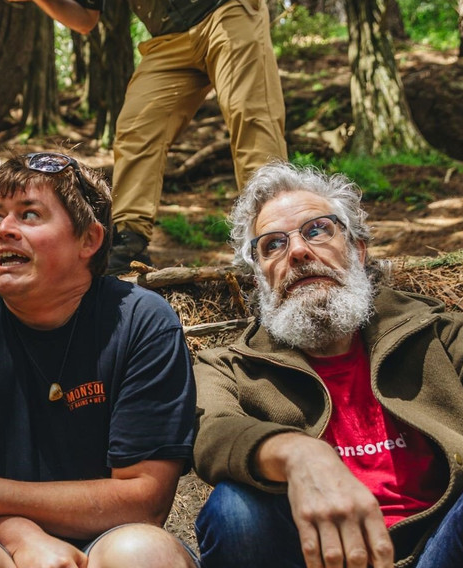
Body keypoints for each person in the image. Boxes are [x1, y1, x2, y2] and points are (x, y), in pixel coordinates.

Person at [0, 0, 287, 273]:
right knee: (134, 127)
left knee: (251, 114)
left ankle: (275, 230)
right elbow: (85, 18)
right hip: (168, 42)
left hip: (226, 7)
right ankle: (128, 245)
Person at [0, 151, 198, 568]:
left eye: (29, 215)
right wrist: (20, 536)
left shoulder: (142, 323)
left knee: (144, 552)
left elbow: (144, 501)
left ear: (89, 240)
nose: (3, 230)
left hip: (105, 541)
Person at [193, 161, 463, 568]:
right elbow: (210, 431)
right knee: (234, 511)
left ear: (357, 249)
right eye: (273, 245)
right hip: (312, 556)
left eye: (317, 229)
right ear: (259, 278)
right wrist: (300, 455)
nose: (298, 251)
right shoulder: (228, 368)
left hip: (441, 548)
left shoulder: (439, 333)